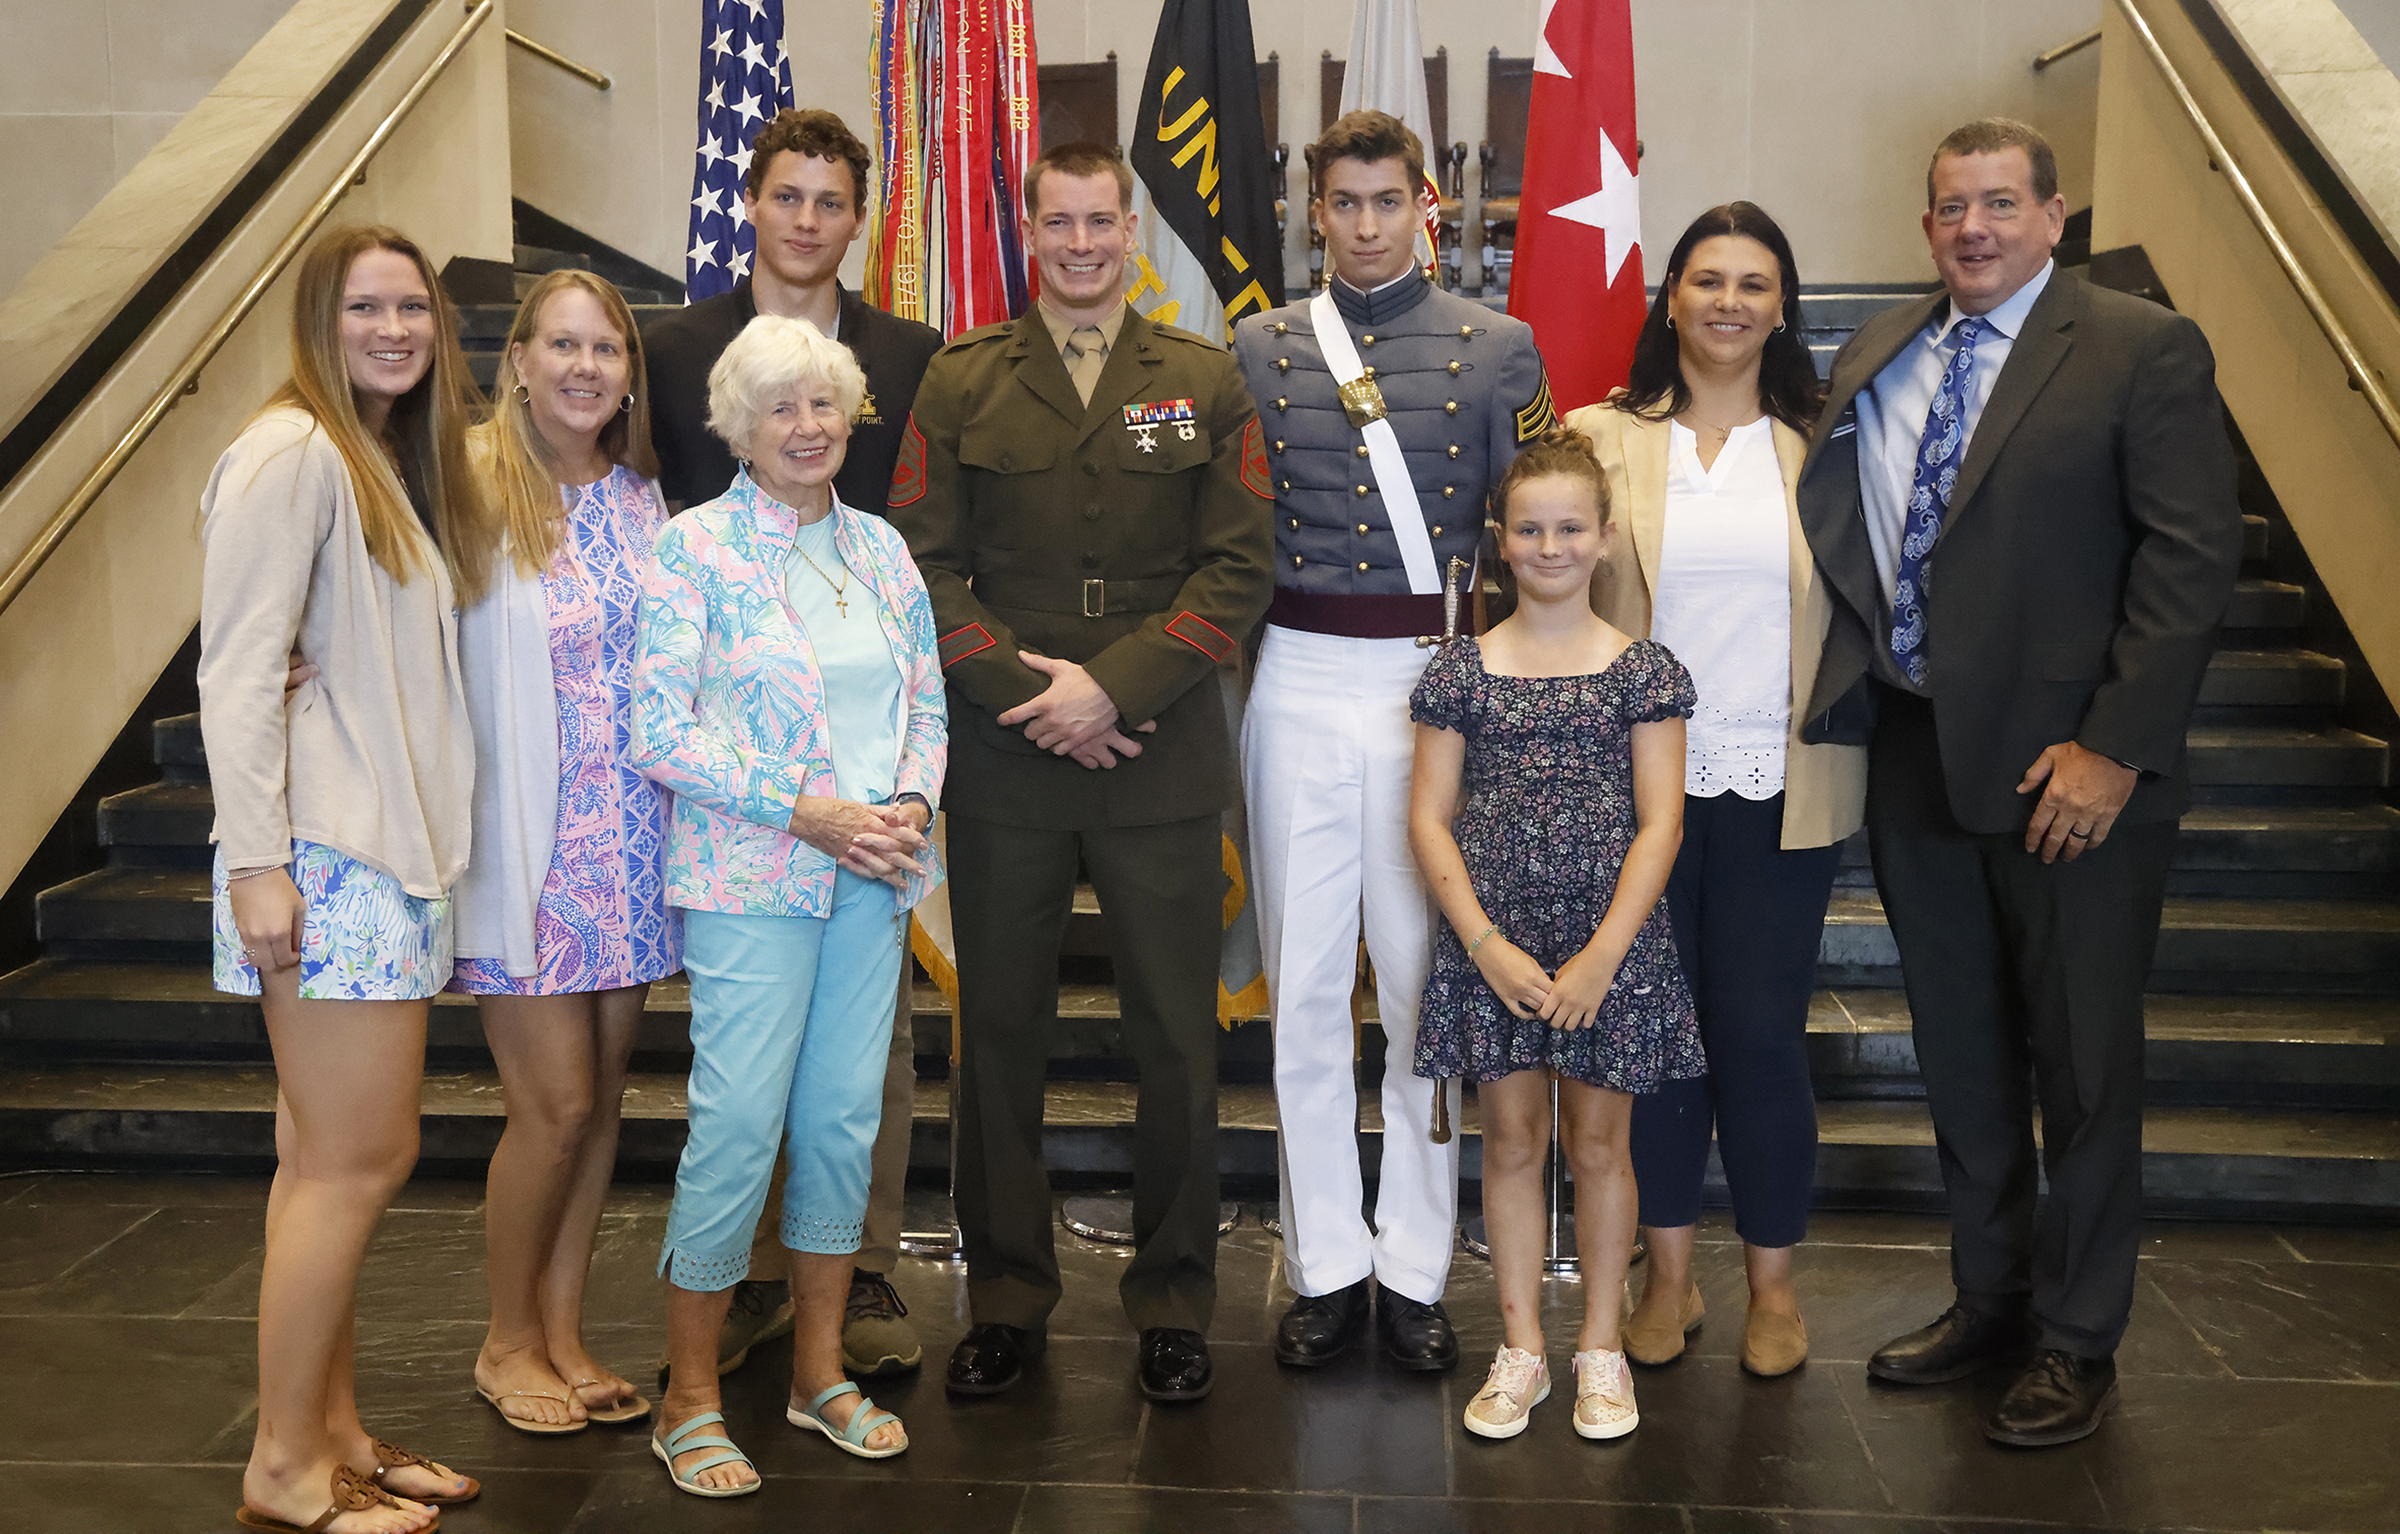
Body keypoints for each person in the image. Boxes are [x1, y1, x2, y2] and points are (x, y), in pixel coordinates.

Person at [1797, 119, 2241, 1445]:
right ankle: (1988, 1296)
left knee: (2083, 1066)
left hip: (2073, 776)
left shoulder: (2137, 348)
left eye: (2001, 203)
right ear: (1925, 225)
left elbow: (2190, 557)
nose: (1974, 227)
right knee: (1967, 1059)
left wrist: (2117, 746)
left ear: (2055, 217)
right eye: (1951, 208)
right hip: (1919, 751)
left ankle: (2076, 1333)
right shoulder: (1886, 349)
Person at [886, 140, 1274, 1404]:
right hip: (1009, 757)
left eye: (1103, 223)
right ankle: (1005, 1296)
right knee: (997, 1034)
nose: (1083, 245)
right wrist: (1034, 695)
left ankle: (1170, 1298)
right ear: (1032, 234)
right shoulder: (961, 379)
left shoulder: (1202, 378)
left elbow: (1238, 567)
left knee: (1175, 1039)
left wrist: (1115, 687)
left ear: (1131, 233)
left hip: (1157, 754)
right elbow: (923, 566)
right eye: (1059, 225)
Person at [1231, 108, 1555, 1375]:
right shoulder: (1255, 348)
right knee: (1305, 989)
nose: (1365, 225)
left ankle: (1417, 1269)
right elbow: (1165, 440)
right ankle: (1325, 1267)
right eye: (1342, 203)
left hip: (1435, 678)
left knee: (1427, 992)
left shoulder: (1501, 350)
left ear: (1424, 204)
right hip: (1300, 671)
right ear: (1316, 211)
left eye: (1387, 202)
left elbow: (1540, 514)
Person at [643, 105, 944, 1383]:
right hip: (754, 870)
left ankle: (824, 1360)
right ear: (740, 418)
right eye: (783, 407)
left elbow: (923, 695)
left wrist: (908, 807)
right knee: (737, 1123)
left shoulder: (880, 546)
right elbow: (661, 724)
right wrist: (814, 809)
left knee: (841, 1121)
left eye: (826, 404)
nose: (808, 423)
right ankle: (695, 1394)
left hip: (873, 877)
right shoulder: (694, 542)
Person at [203, 224, 481, 1533]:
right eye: (367, 306)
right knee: (360, 1158)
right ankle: (284, 1470)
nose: (395, 328)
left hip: (377, 855)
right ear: (321, 316)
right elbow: (235, 672)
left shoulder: (368, 455)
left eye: (412, 307)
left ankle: (331, 1429)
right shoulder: (292, 448)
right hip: (326, 864)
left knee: (319, 1156)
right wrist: (259, 867)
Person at [1567, 204, 1867, 1379]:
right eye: (1706, 280)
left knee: (1759, 1037)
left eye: (1753, 282)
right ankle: (1673, 1278)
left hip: (1780, 782)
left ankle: (1775, 1289)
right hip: (1638, 790)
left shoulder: (1826, 441)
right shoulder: (1601, 435)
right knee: (1661, 1043)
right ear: (1672, 298)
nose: (1728, 302)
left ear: (1782, 302)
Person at [1408, 427, 1701, 1442]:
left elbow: (1662, 820)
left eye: (1570, 527)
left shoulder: (1642, 670)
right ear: (1500, 539)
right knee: (1516, 1141)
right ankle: (1524, 1346)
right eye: (1529, 528)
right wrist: (1486, 946)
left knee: (1601, 1145)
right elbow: (1428, 818)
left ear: (1605, 537)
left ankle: (1602, 1347)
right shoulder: (1459, 670)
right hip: (1498, 945)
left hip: (1607, 947)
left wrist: (1601, 958)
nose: (1549, 546)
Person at [444, 270, 680, 1431]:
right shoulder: (469, 482)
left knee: (602, 1105)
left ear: (629, 372)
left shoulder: (643, 498)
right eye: (564, 345)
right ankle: (503, 1340)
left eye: (608, 348)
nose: (586, 366)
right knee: (552, 1103)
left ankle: (566, 1330)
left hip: (634, 842)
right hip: (528, 842)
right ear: (521, 358)